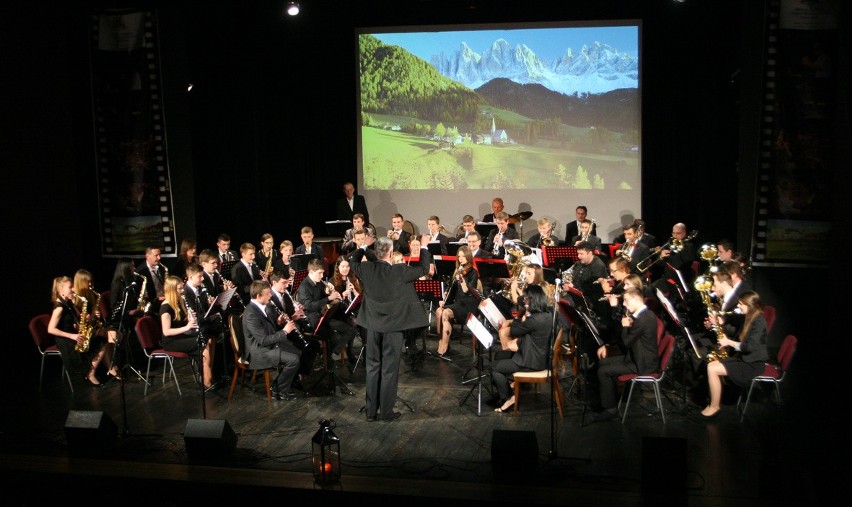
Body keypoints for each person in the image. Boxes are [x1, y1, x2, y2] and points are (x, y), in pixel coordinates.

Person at [348, 235, 432, 422]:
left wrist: (362, 247)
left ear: (376, 252)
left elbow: (352, 260)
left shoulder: (366, 269)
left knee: (372, 367)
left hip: (372, 326)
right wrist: (424, 247)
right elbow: (424, 268)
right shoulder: (400, 271)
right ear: (391, 253)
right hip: (393, 327)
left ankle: (371, 412)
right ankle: (386, 412)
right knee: (389, 369)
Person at [590, 288, 659, 421]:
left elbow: (627, 342)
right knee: (603, 362)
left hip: (642, 364)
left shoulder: (642, 319)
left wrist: (624, 326)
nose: (624, 304)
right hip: (637, 357)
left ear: (635, 299)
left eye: (626, 301)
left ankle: (610, 409)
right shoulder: (643, 314)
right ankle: (611, 398)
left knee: (603, 371)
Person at [700, 291, 769, 418]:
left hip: (752, 364)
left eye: (741, 304)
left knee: (712, 369)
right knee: (712, 365)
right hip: (744, 359)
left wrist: (729, 342)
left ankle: (715, 406)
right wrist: (721, 320)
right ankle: (713, 403)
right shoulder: (748, 316)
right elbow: (732, 318)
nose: (738, 306)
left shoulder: (759, 322)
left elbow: (749, 347)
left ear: (750, 305)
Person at [491, 284, 552, 413]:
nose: (524, 301)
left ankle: (509, 398)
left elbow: (515, 330)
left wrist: (522, 316)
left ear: (532, 300)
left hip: (531, 362)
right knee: (500, 355)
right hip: (540, 357)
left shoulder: (533, 320)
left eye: (525, 299)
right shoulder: (548, 315)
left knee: (494, 367)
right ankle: (505, 389)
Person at [47, 276, 113, 387]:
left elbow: (78, 317)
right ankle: (91, 374)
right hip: (66, 340)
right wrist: (72, 336)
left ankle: (98, 371)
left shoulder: (69, 303)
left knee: (102, 340)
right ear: (60, 290)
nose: (73, 289)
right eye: (70, 287)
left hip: (75, 334)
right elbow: (50, 329)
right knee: (101, 343)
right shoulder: (59, 307)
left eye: (72, 286)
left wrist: (88, 317)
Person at [242, 280, 303, 401]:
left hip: (268, 345)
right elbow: (263, 340)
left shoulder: (263, 306)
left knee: (297, 352)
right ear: (259, 296)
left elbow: (267, 329)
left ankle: (283, 384)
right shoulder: (250, 314)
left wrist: (278, 322)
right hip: (258, 350)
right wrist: (285, 331)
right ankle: (278, 389)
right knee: (293, 360)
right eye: (268, 293)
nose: (271, 295)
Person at [159, 275, 216, 391]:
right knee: (202, 342)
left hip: (181, 336)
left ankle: (208, 375)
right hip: (171, 341)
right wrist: (187, 327)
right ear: (172, 290)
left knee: (209, 337)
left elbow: (180, 322)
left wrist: (189, 318)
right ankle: (207, 381)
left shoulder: (178, 302)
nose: (182, 291)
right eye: (179, 289)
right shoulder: (165, 308)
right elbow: (166, 331)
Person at [268, 272, 320, 388]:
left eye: (287, 282)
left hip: (291, 330)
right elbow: (271, 324)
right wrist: (286, 320)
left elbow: (290, 314)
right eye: (284, 283)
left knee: (314, 345)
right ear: (274, 282)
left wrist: (297, 316)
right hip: (279, 334)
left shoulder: (285, 295)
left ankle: (298, 373)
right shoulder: (268, 298)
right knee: (300, 349)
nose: (287, 285)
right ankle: (292, 378)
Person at [296, 258, 354, 361]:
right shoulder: (304, 287)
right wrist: (329, 298)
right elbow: (309, 306)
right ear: (311, 272)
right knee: (335, 337)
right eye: (320, 273)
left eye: (323, 273)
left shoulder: (318, 283)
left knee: (350, 330)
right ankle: (328, 360)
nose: (322, 276)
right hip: (312, 320)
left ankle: (329, 354)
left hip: (323, 317)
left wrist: (329, 293)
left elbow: (324, 298)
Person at [73, 269, 122, 381]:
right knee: (109, 337)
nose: (90, 284)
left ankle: (110, 366)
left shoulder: (91, 295)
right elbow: (74, 320)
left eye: (91, 281)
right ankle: (96, 371)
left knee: (115, 334)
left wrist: (96, 315)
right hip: (80, 332)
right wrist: (86, 317)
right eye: (87, 282)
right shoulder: (75, 299)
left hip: (91, 328)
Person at [434, 246, 480, 357]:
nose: (461, 259)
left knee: (446, 313)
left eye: (463, 256)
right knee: (439, 311)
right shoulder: (457, 270)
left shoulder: (473, 272)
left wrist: (462, 281)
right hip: (458, 303)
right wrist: (445, 299)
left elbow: (467, 292)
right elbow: (452, 290)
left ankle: (444, 346)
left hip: (469, 305)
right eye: (459, 256)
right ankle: (442, 342)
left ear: (468, 257)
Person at [331, 256, 363, 362]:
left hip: (352, 309)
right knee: (354, 322)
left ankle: (366, 348)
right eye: (343, 266)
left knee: (365, 319)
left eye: (347, 266)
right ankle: (349, 350)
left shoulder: (353, 279)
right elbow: (333, 303)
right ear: (338, 267)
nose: (346, 269)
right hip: (339, 312)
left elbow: (360, 298)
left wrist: (354, 291)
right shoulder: (333, 281)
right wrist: (342, 295)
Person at [136, 246, 167, 314]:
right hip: (152, 304)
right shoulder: (140, 271)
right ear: (147, 256)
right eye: (156, 255)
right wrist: (156, 299)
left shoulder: (162, 267)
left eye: (159, 255)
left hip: (164, 299)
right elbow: (140, 293)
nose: (159, 258)